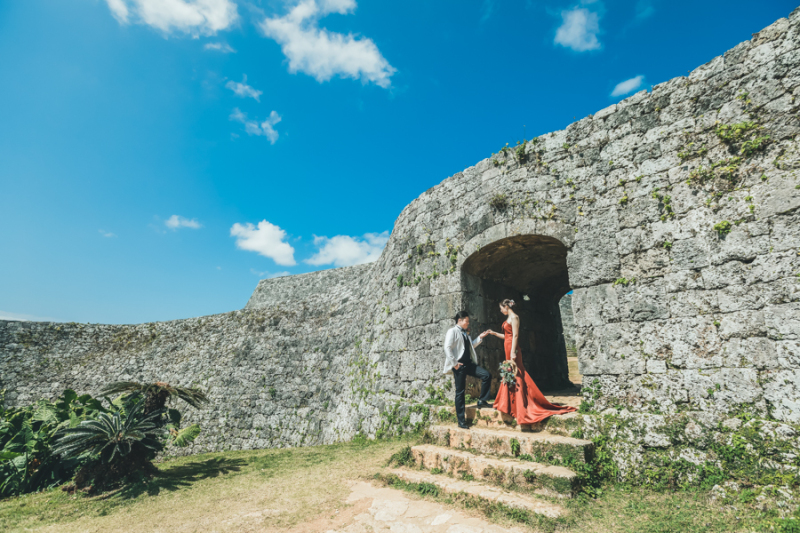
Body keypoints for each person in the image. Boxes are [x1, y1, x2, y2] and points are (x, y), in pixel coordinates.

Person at [485, 299, 576, 423]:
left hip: (512, 348)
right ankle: (509, 402)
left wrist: (513, 352)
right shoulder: (508, 319)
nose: (501, 311)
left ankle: (520, 403)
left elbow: (515, 336)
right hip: (507, 345)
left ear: (506, 306)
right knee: (510, 373)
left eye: (501, 308)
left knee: (517, 372)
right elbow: (507, 336)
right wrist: (494, 333)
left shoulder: (515, 318)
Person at [443, 311, 492, 429]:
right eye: (467, 321)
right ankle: (461, 421)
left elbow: (469, 347)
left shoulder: (465, 333)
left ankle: (482, 400)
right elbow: (447, 347)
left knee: (486, 375)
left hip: (468, 364)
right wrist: (454, 363)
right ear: (460, 320)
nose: (468, 323)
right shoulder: (452, 331)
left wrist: (480, 337)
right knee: (460, 392)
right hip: (459, 365)